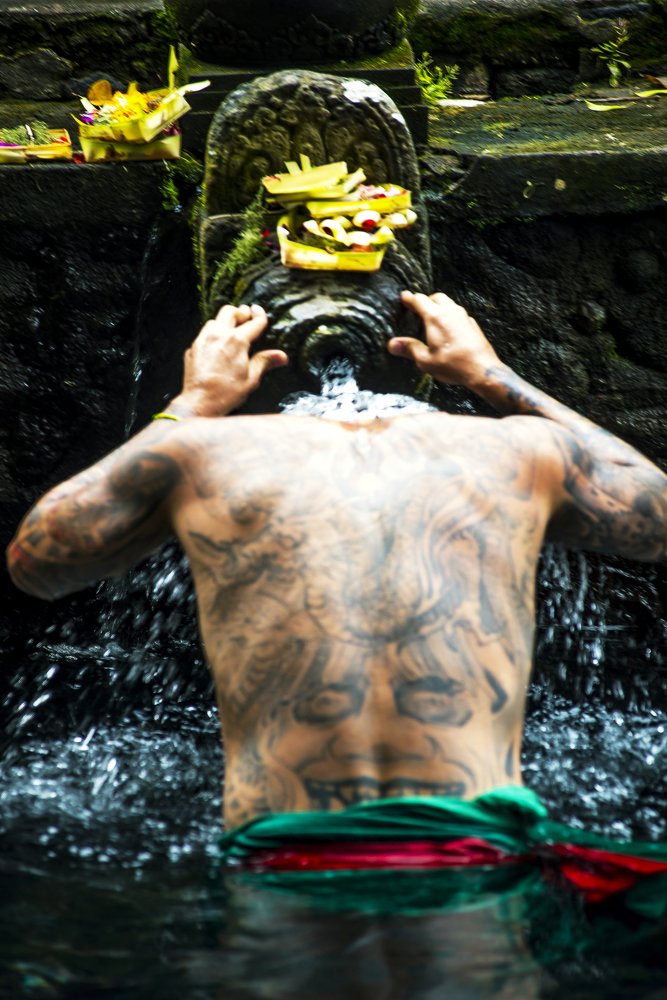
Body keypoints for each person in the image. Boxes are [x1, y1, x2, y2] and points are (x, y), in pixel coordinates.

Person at [7, 291, 667, 843]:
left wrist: (194, 403)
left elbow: (38, 560)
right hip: (474, 845)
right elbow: (656, 512)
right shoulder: (523, 449)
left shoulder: (198, 451)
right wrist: (490, 375)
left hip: (291, 849)